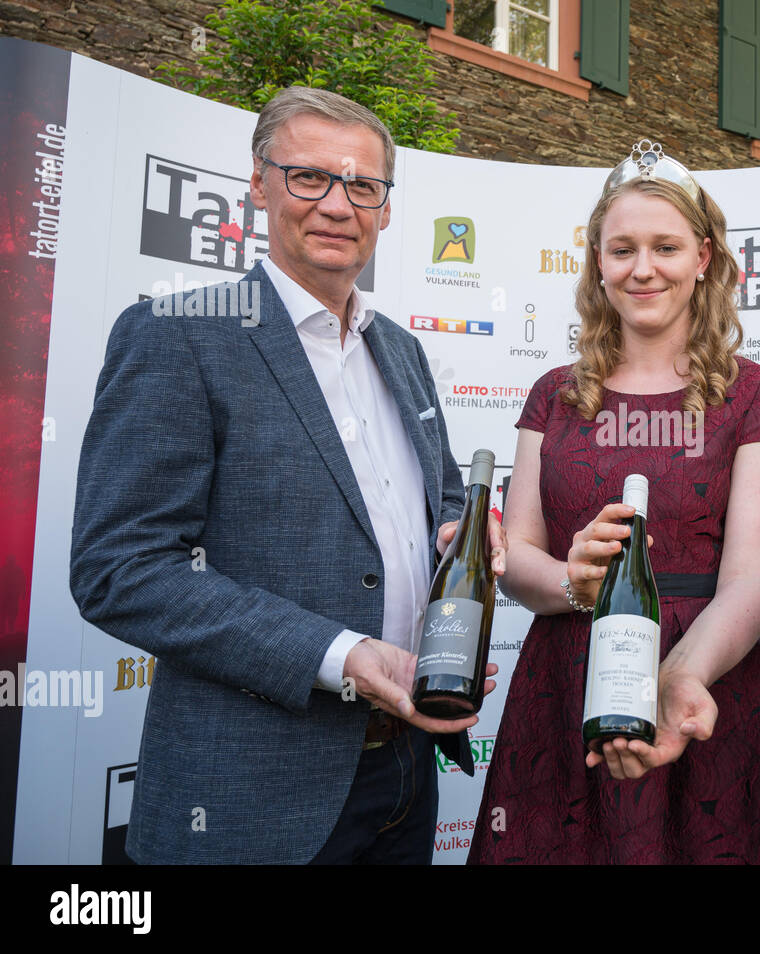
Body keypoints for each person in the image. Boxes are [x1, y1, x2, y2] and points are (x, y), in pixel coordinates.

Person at [69, 87, 504, 864]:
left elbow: (438, 506)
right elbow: (119, 569)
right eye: (310, 177)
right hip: (250, 795)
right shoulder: (179, 338)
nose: (338, 204)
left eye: (362, 186)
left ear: (386, 208)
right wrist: (339, 655)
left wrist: (461, 538)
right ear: (260, 186)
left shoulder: (401, 351)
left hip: (407, 773)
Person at [468, 141, 760, 864]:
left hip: (705, 679)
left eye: (666, 246)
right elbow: (517, 560)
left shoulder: (758, 396)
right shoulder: (554, 395)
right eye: (621, 249)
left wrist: (677, 677)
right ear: (597, 261)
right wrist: (575, 580)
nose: (643, 268)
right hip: (563, 685)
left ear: (704, 257)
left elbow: (752, 581)